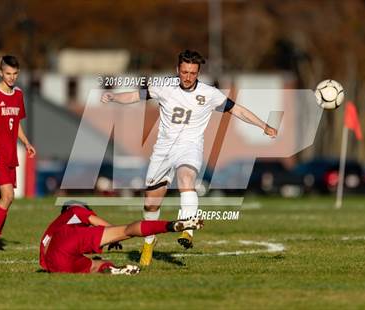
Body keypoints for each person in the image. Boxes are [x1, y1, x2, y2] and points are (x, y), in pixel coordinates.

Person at [101, 49, 277, 266]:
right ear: (178, 70)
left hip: (190, 147)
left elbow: (237, 110)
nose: (188, 77)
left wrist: (263, 125)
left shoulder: (209, 93)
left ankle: (187, 230)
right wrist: (114, 97)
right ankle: (148, 243)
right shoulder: (164, 86)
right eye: (184, 72)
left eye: (193, 73)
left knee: (186, 180)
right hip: (163, 151)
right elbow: (135, 96)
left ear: (198, 72)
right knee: (151, 205)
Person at [39, 201, 203, 274]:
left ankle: (111, 270)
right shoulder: (75, 211)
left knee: (96, 265)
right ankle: (171, 225)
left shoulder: (48, 233)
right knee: (126, 230)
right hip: (68, 238)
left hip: (55, 264)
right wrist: (114, 238)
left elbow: (46, 260)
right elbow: (99, 224)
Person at [0, 55, 36, 251]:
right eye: (8, 73)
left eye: (14, 74)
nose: (11, 77)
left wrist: (27, 143)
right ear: (0, 73)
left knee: (2, 198)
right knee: (8, 195)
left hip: (11, 154)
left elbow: (17, 123)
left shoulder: (18, 94)